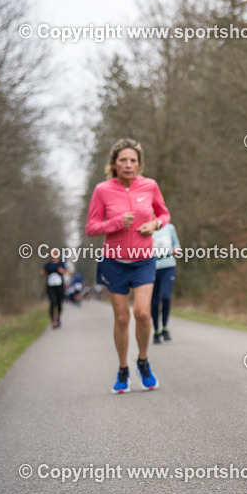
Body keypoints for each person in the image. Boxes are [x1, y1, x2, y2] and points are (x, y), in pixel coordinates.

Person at [85, 138, 170, 394]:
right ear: (114, 163)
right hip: (114, 262)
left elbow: (164, 214)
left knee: (143, 313)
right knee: (122, 317)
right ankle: (123, 368)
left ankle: (142, 361)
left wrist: (155, 225)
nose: (128, 164)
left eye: (133, 160)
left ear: (139, 164)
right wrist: (117, 222)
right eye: (123, 160)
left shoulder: (150, 186)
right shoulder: (102, 190)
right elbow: (91, 228)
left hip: (144, 259)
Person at [150, 222, 181, 344]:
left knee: (165, 297)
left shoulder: (170, 227)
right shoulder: (146, 227)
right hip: (152, 267)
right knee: (154, 302)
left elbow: (177, 244)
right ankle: (156, 331)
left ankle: (165, 327)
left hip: (168, 266)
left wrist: (176, 250)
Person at [42, 248, 68, 328]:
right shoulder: (48, 264)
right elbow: (42, 272)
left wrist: (62, 271)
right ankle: (54, 320)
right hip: (50, 286)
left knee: (59, 303)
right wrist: (44, 272)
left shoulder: (61, 263)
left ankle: (58, 319)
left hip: (59, 286)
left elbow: (69, 271)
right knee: (53, 302)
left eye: (56, 252)